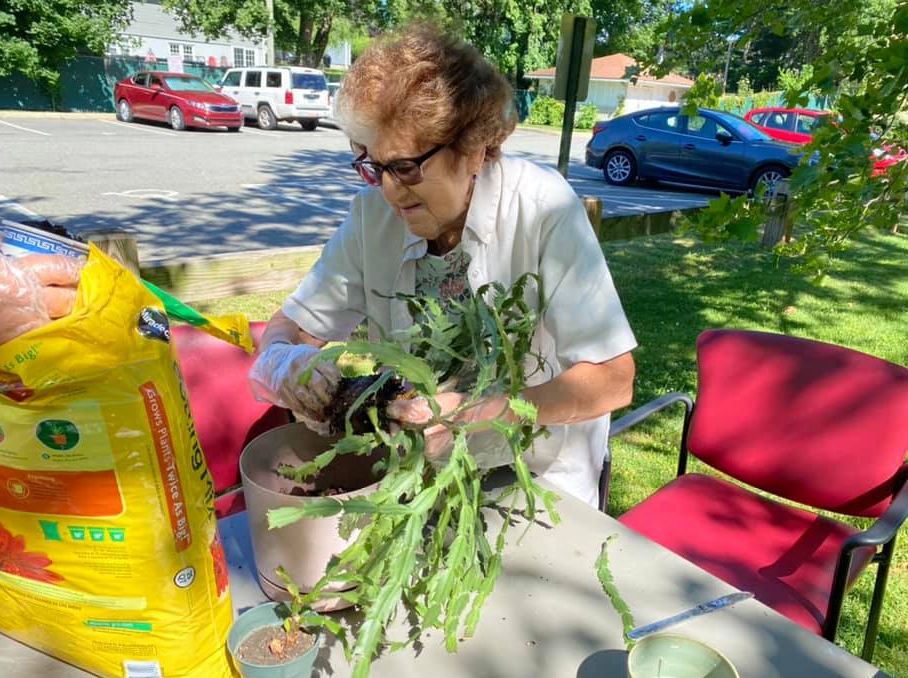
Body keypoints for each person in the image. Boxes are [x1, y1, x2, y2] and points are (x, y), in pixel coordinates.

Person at [248, 24, 637, 507]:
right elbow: (292, 327)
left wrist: (480, 414)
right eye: (374, 166)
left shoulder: (542, 207)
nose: (389, 190)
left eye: (407, 167)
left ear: (473, 148)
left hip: (535, 483)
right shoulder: (372, 216)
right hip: (416, 478)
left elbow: (613, 380)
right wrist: (285, 361)